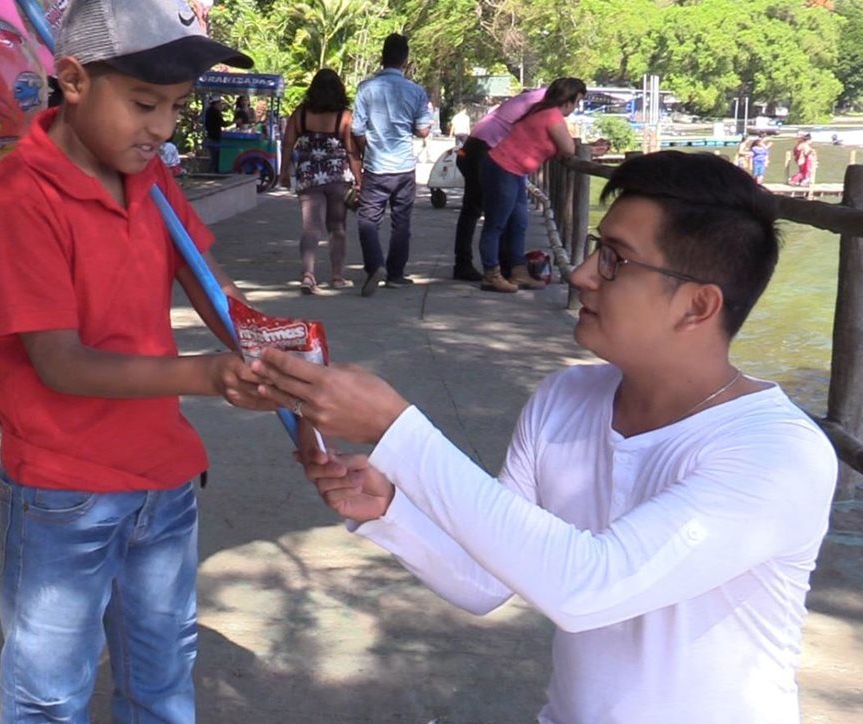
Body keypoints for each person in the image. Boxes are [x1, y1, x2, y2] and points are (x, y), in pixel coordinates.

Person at [252, 151, 838, 724]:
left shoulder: (777, 454)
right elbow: (488, 579)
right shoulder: (565, 400)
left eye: (614, 260)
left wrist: (396, 432)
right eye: (594, 249)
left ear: (697, 306)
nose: (580, 274)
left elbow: (585, 587)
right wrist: (393, 508)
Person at [0, 1, 271, 720]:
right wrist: (208, 373)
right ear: (72, 79)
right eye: (143, 104)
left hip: (163, 479)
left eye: (176, 106)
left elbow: (205, 279)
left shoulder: (150, 177)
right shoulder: (18, 198)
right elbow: (61, 364)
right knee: (49, 693)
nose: (163, 129)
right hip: (65, 494)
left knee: (163, 680)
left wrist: (264, 339)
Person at [476, 78, 586, 293]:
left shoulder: (540, 110)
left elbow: (544, 145)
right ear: (569, 100)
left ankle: (518, 271)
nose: (576, 108)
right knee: (496, 225)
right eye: (577, 101)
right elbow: (568, 148)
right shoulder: (552, 115)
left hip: (514, 171)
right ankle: (491, 274)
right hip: (503, 168)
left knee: (518, 223)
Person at [351, 33, 434, 296]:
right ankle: (396, 274)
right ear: (405, 60)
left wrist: (369, 149)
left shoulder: (366, 88)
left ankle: (375, 264)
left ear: (381, 57)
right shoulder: (416, 91)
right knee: (401, 222)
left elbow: (356, 129)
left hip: (376, 168)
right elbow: (422, 131)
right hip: (404, 168)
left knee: (367, 219)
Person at [279, 68, 363, 294]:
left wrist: (284, 171)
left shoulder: (301, 113)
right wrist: (359, 179)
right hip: (338, 178)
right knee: (337, 228)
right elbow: (351, 150)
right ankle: (337, 277)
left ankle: (308, 275)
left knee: (310, 227)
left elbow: (287, 143)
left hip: (308, 177)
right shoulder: (345, 116)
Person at [451, 87, 545, 282]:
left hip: (474, 148)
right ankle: (494, 268)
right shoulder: (540, 105)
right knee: (497, 212)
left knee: (475, 210)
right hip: (484, 151)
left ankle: (471, 263)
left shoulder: (515, 106)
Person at [204, 96, 230, 172]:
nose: (220, 105)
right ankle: (213, 171)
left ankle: (212, 170)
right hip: (214, 137)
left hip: (211, 136)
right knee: (215, 155)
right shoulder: (215, 112)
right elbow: (223, 123)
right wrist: (234, 122)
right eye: (219, 103)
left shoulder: (209, 111)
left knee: (214, 155)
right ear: (215, 104)